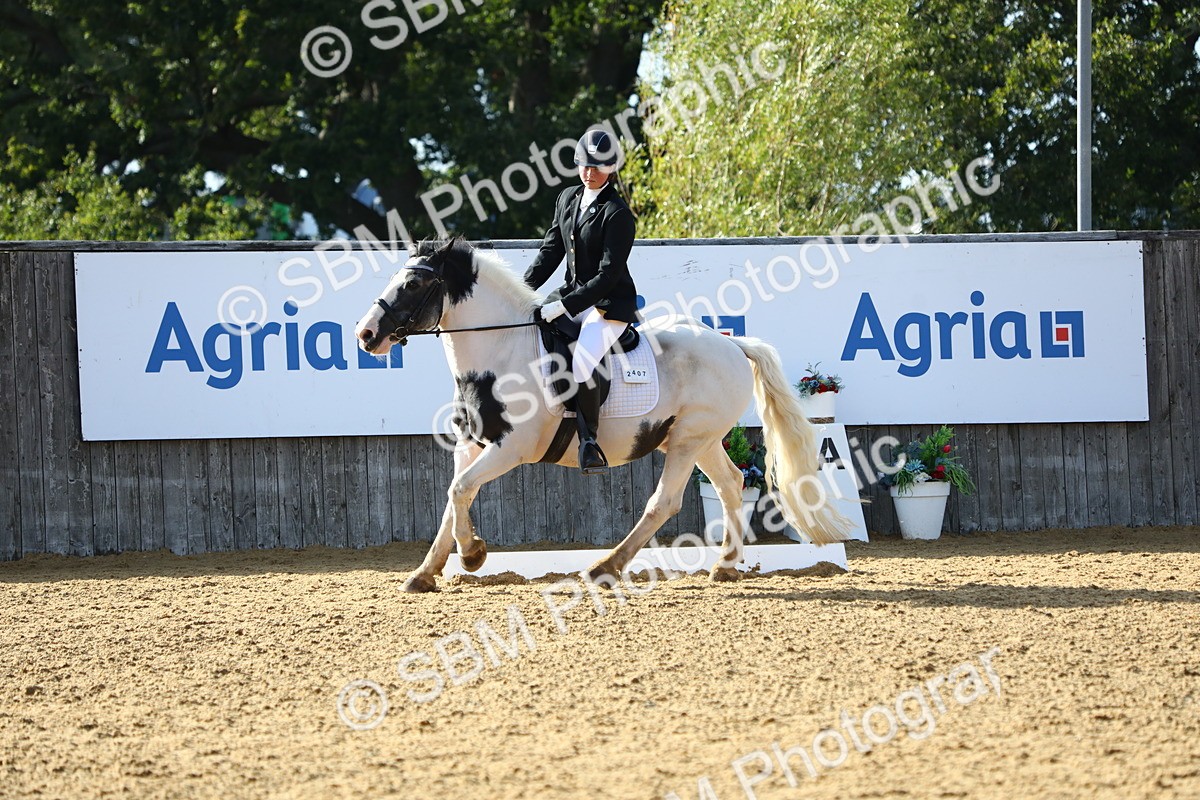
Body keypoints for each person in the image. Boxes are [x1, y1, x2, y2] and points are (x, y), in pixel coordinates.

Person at [524, 128, 638, 475]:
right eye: (585, 165)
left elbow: (607, 275)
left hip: (608, 304)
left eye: (598, 167)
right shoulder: (568, 198)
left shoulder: (617, 213)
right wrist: (522, 291)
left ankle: (589, 442)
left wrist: (565, 305)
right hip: (572, 293)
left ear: (611, 168)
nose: (589, 173)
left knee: (585, 361)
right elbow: (550, 251)